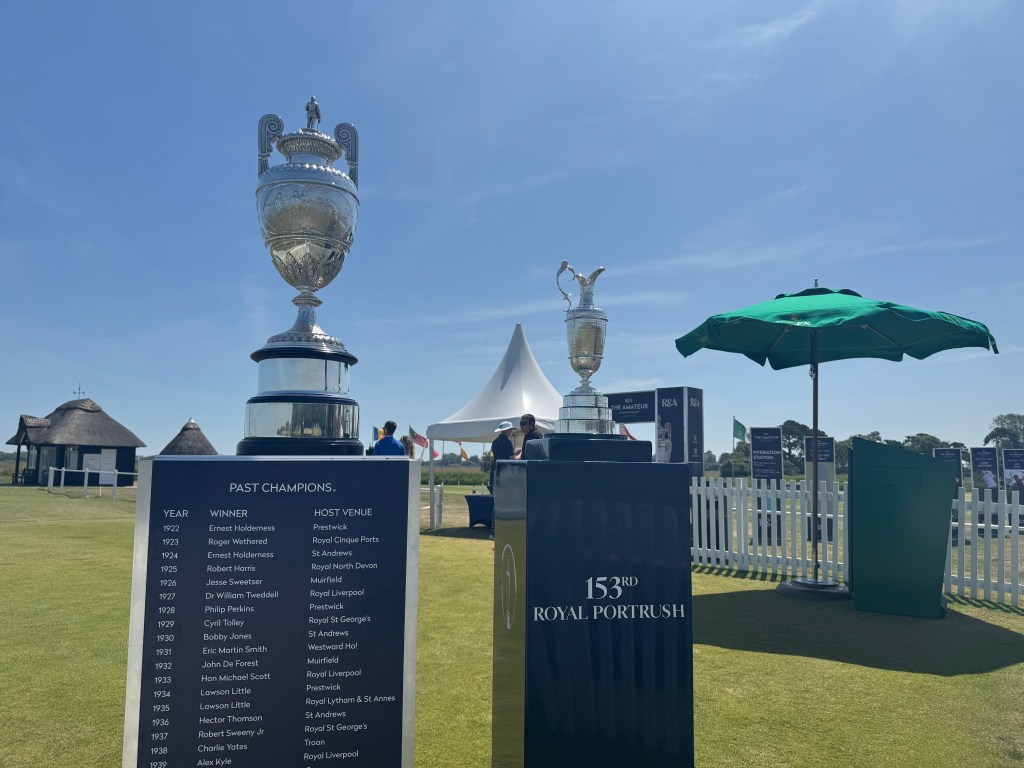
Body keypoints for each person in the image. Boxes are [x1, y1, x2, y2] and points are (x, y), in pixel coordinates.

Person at [489, 421, 515, 492]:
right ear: (506, 430)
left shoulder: (495, 442)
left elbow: (493, 457)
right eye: (511, 430)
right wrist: (520, 454)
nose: (511, 432)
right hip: (505, 472)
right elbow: (513, 460)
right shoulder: (507, 442)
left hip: (495, 470)